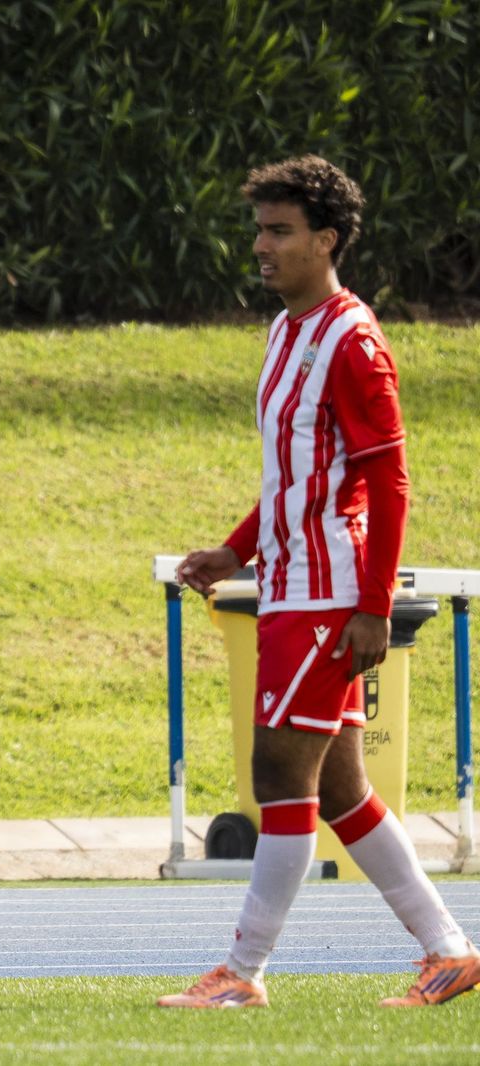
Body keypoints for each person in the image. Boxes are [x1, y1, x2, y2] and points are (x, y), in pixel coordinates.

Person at [161, 156, 479, 1009]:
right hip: (290, 588)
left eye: (280, 231)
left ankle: (243, 973)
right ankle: (449, 951)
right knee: (339, 788)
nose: (261, 245)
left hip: (329, 595)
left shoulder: (352, 340)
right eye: (260, 229)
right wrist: (236, 551)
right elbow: (293, 480)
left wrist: (373, 606)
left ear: (325, 241)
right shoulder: (285, 331)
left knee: (278, 775)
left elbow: (391, 479)